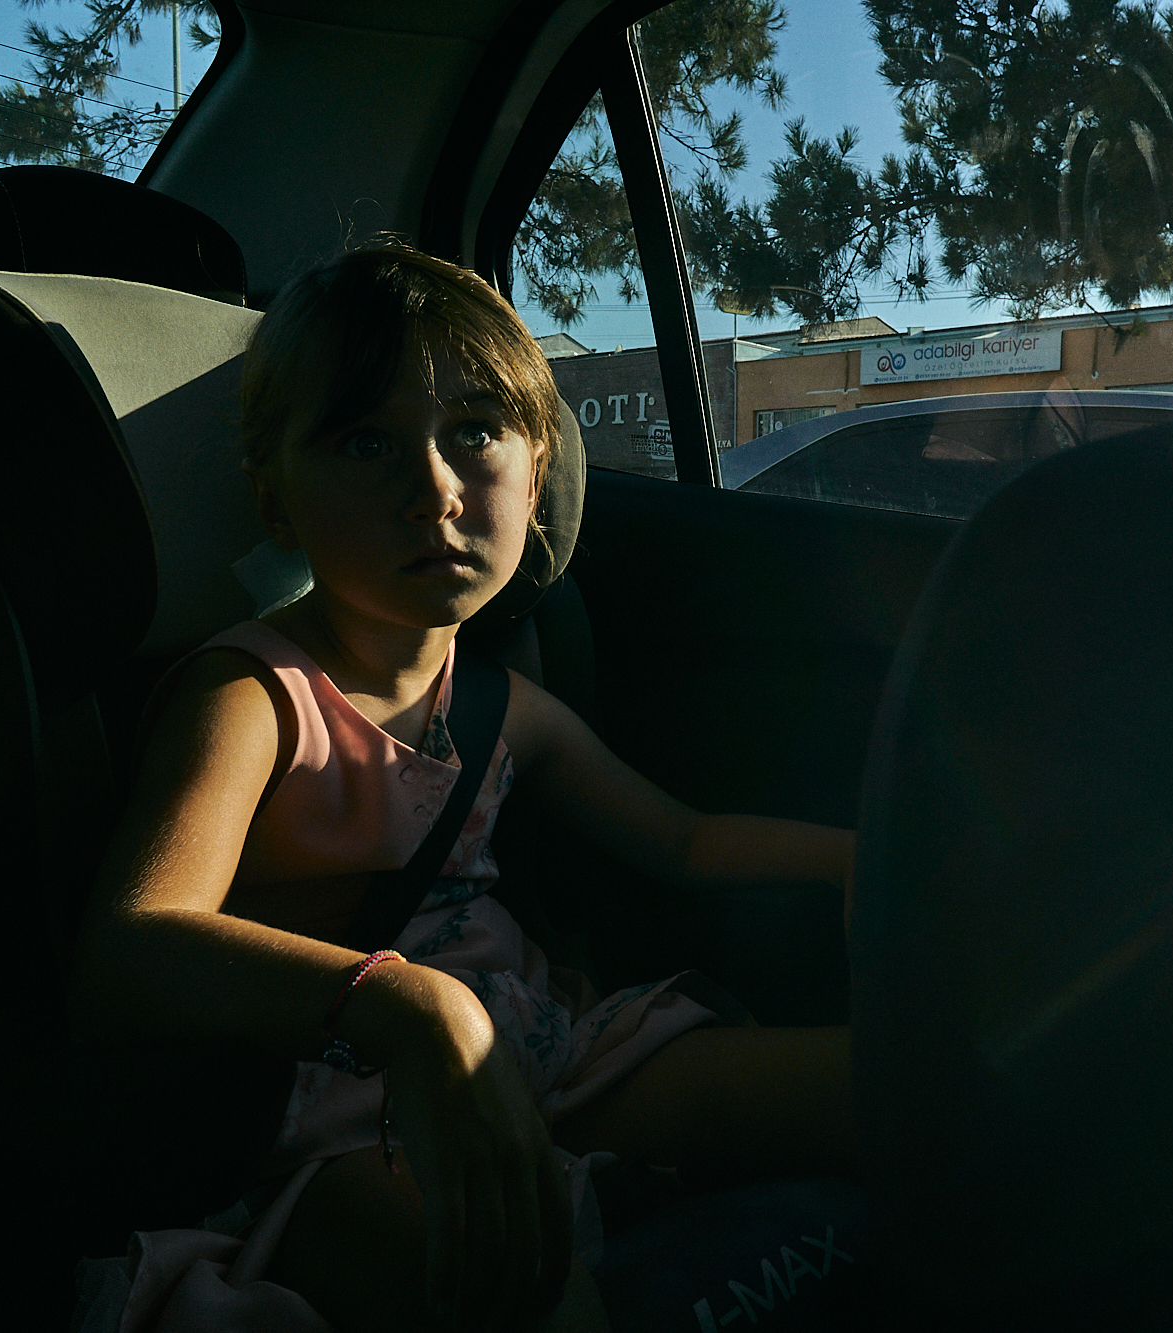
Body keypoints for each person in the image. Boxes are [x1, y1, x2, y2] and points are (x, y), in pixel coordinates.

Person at [71, 244, 858, 1332]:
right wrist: (404, 1003)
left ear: (536, 475)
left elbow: (682, 840)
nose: (433, 488)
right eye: (366, 442)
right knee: (517, 1285)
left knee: (897, 1091)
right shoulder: (254, 696)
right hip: (332, 1117)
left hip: (544, 1055)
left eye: (476, 432)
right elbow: (132, 945)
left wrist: (859, 859)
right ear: (275, 500)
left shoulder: (497, 704)